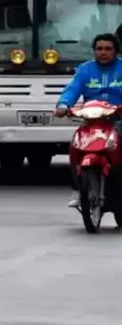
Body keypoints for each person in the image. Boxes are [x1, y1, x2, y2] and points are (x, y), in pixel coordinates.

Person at [55, 33, 122, 209]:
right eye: (99, 49)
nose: (103, 52)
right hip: (92, 119)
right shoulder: (85, 70)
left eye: (108, 49)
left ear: (115, 51)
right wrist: (63, 105)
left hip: (118, 118)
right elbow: (72, 90)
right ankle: (77, 189)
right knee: (76, 145)